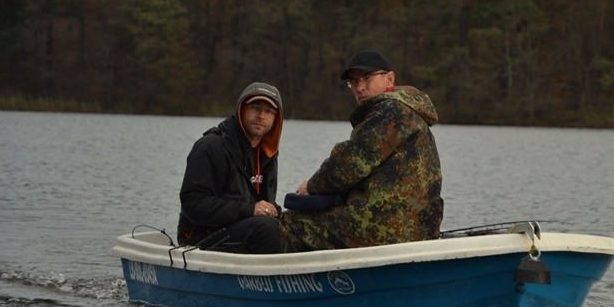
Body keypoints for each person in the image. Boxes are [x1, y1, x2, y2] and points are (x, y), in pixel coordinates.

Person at [279, 50, 443, 252]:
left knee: (289, 222)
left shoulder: (390, 111)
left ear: (389, 78)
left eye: (367, 78)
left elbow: (349, 165)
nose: (360, 87)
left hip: (388, 226)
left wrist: (311, 186)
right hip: (420, 226)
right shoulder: (408, 111)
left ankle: (289, 281)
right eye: (354, 82)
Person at [177, 82, 284, 253]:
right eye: (255, 107)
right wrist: (249, 210)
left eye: (269, 111)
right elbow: (194, 204)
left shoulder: (268, 154)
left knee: (296, 225)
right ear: (241, 109)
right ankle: (270, 279)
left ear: (276, 119)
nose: (261, 115)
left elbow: (259, 201)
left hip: (243, 227)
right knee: (268, 229)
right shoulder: (210, 147)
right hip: (202, 236)